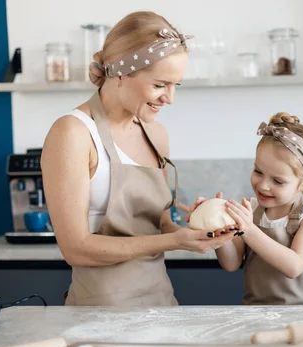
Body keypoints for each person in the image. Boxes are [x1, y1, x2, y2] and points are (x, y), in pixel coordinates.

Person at [41, 11, 234, 306]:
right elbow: (76, 248)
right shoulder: (73, 133)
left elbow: (160, 224)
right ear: (121, 73)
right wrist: (174, 241)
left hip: (160, 300)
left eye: (175, 86)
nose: (169, 98)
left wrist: (196, 227)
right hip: (98, 312)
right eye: (160, 85)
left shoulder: (157, 135)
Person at [213, 112, 303, 305]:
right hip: (256, 315)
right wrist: (216, 221)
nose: (263, 186)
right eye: (258, 172)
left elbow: (294, 266)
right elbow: (231, 263)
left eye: (278, 181)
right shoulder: (251, 209)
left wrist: (249, 229)